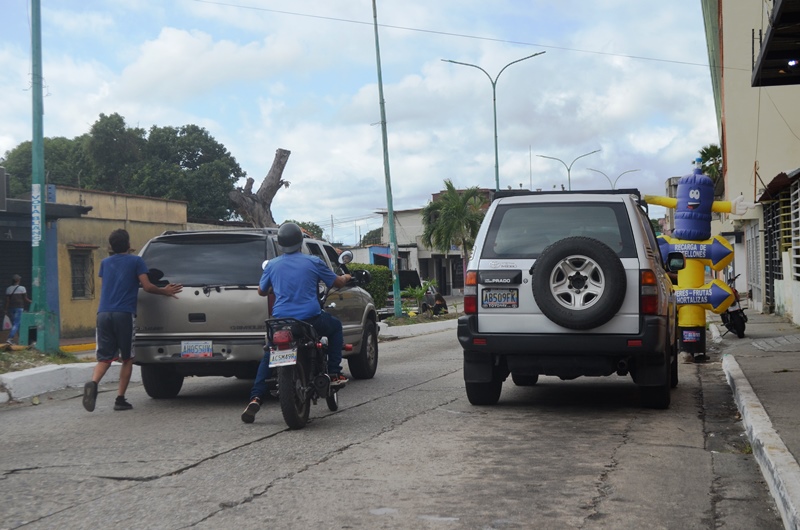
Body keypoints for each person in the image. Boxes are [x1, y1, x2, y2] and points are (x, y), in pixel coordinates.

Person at [241, 222, 351, 424]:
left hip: (281, 321)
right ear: (301, 242)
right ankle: (334, 373)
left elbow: (261, 291)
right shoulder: (313, 262)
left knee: (270, 353)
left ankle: (255, 398)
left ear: (280, 244)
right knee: (334, 327)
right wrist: (345, 276)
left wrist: (276, 288)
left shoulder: (272, 265)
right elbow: (336, 282)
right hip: (310, 319)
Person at [82, 229, 182, 412]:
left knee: (104, 358)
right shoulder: (136, 261)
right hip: (124, 314)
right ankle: (120, 399)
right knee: (127, 358)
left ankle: (93, 382)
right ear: (128, 245)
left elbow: (110, 286)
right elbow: (148, 286)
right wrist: (165, 291)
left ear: (111, 246)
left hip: (103, 313)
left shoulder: (105, 263)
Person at [5, 274, 32, 345]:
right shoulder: (22, 288)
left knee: (17, 324)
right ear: (18, 280)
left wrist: (6, 309)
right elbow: (25, 299)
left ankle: (22, 339)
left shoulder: (8, 289)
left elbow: (7, 301)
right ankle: (10, 338)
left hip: (11, 308)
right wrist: (32, 301)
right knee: (16, 324)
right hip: (19, 308)